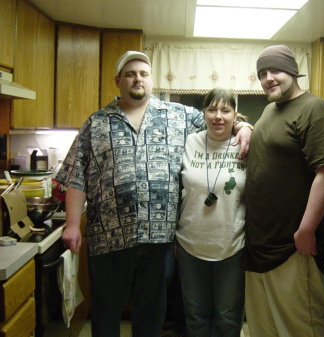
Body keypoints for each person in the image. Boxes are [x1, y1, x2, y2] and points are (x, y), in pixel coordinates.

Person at [55, 51, 252, 337]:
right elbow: (76, 175)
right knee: (106, 313)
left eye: (143, 74)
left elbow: (219, 120)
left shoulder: (179, 116)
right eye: (131, 74)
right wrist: (72, 224)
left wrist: (244, 126)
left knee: (151, 315)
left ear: (151, 80)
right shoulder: (96, 123)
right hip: (109, 238)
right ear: (118, 80)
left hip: (159, 240)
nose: (138, 79)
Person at [243, 45, 324, 337]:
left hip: (292, 245)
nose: (268, 78)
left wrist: (306, 229)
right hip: (259, 243)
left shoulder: (315, 109)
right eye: (262, 73)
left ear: (292, 71)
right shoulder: (269, 110)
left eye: (275, 70)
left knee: (302, 327)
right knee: (265, 328)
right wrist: (242, 126)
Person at [176, 88, 247, 337]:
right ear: (203, 113)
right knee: (195, 318)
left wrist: (246, 129)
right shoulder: (189, 142)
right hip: (190, 246)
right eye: (212, 109)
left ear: (235, 115)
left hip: (232, 247)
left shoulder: (246, 145)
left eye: (226, 110)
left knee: (228, 319)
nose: (218, 116)